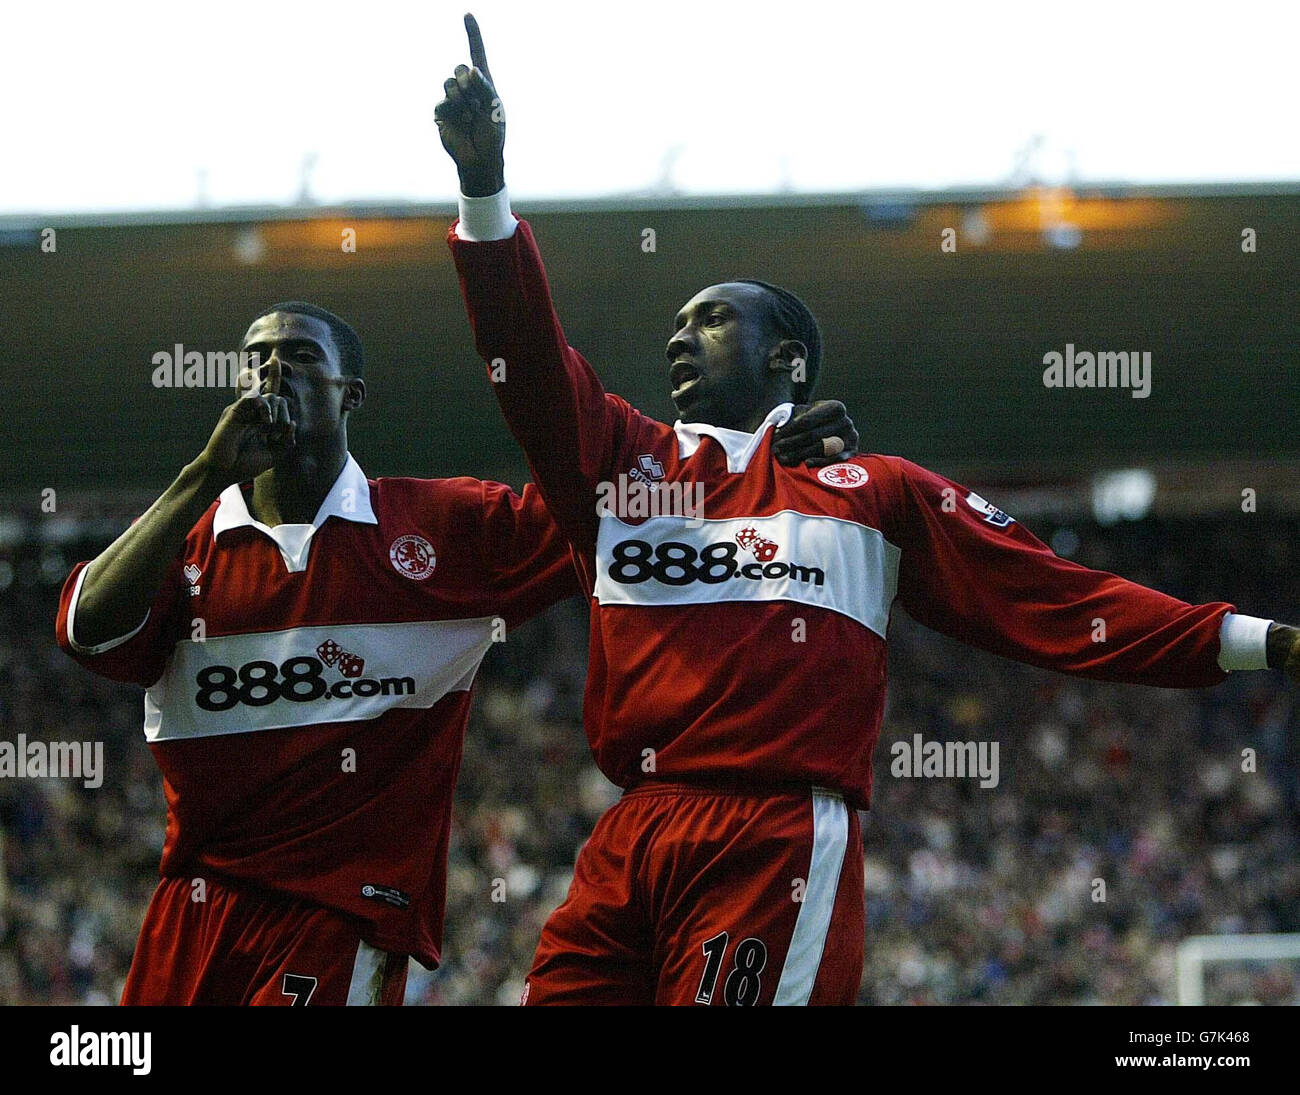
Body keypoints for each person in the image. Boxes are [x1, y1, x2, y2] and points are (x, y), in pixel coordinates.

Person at [436, 14, 1300, 1006]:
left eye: (712, 320)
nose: (681, 341)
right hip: (629, 838)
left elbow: (1055, 600)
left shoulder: (874, 492)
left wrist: (1257, 641)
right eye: (675, 326)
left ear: (786, 361)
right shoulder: (623, 464)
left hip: (775, 842)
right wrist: (484, 187)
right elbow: (529, 365)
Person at [54, 300, 858, 1006]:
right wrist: (203, 474)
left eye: (300, 356)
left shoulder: (443, 533)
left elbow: (611, 491)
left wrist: (761, 455)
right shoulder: (186, 542)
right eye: (256, 358)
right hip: (188, 911)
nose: (273, 370)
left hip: (339, 921)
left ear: (351, 394)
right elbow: (88, 631)